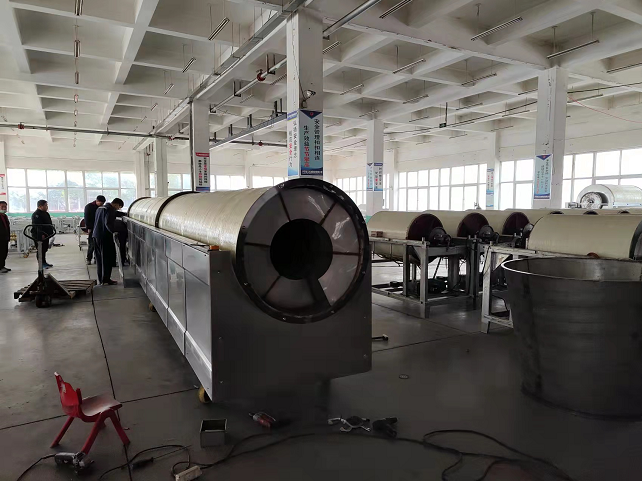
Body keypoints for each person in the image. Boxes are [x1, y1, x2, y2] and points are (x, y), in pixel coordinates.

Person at [93, 197, 124, 286]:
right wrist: (114, 232)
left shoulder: (101, 208)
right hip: (104, 237)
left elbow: (114, 214)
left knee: (99, 259)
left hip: (96, 235)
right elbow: (107, 223)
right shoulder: (110, 209)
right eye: (119, 207)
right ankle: (106, 279)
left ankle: (101, 279)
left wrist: (125, 213)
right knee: (106, 259)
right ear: (116, 204)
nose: (118, 209)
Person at [31, 199, 54, 269]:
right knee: (40, 249)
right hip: (39, 235)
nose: (47, 207)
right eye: (45, 205)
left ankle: (44, 262)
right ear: (40, 206)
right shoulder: (36, 214)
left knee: (44, 249)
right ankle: (41, 264)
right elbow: (37, 226)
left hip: (46, 235)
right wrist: (41, 234)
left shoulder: (46, 213)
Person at [83, 195, 105, 265]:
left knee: (99, 245)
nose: (101, 205)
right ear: (97, 201)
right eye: (100, 203)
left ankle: (97, 259)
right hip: (92, 228)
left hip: (99, 228)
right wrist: (89, 228)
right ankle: (89, 259)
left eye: (103, 203)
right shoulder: (89, 207)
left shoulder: (101, 207)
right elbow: (86, 218)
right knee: (92, 244)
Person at [0, 201, 10, 273]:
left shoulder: (4, 216)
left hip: (5, 238)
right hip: (0, 238)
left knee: (4, 252)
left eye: (5, 207)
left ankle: (2, 266)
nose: (4, 208)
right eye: (2, 207)